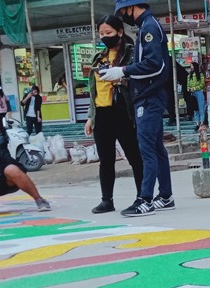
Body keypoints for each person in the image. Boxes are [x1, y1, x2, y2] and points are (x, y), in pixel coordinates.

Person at [100, 0, 175, 216]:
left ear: (132, 7)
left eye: (123, 11)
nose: (123, 16)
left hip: (149, 97)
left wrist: (123, 71)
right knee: (157, 148)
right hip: (148, 95)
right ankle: (166, 195)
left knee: (147, 150)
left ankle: (145, 200)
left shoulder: (149, 27)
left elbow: (154, 64)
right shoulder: (146, 26)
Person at [84, 14, 145, 215]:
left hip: (122, 112)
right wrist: (90, 117)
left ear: (119, 32)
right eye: (101, 33)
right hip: (101, 114)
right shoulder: (98, 57)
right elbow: (93, 90)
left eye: (108, 32)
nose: (104, 36)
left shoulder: (131, 53)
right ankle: (106, 200)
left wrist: (121, 79)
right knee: (106, 160)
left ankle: (142, 196)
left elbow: (140, 80)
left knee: (134, 157)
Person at [165, 60, 198, 126]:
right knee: (186, 97)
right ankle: (189, 114)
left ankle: (175, 118)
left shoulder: (166, 61)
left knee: (170, 100)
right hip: (179, 80)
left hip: (178, 81)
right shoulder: (168, 60)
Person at [188, 61, 206, 129]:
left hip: (199, 93)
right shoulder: (189, 76)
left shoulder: (200, 75)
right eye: (190, 66)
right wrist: (190, 89)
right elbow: (188, 86)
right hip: (193, 94)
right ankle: (197, 124)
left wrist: (194, 88)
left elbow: (202, 85)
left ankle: (201, 123)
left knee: (201, 109)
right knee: (195, 110)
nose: (191, 67)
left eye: (192, 66)